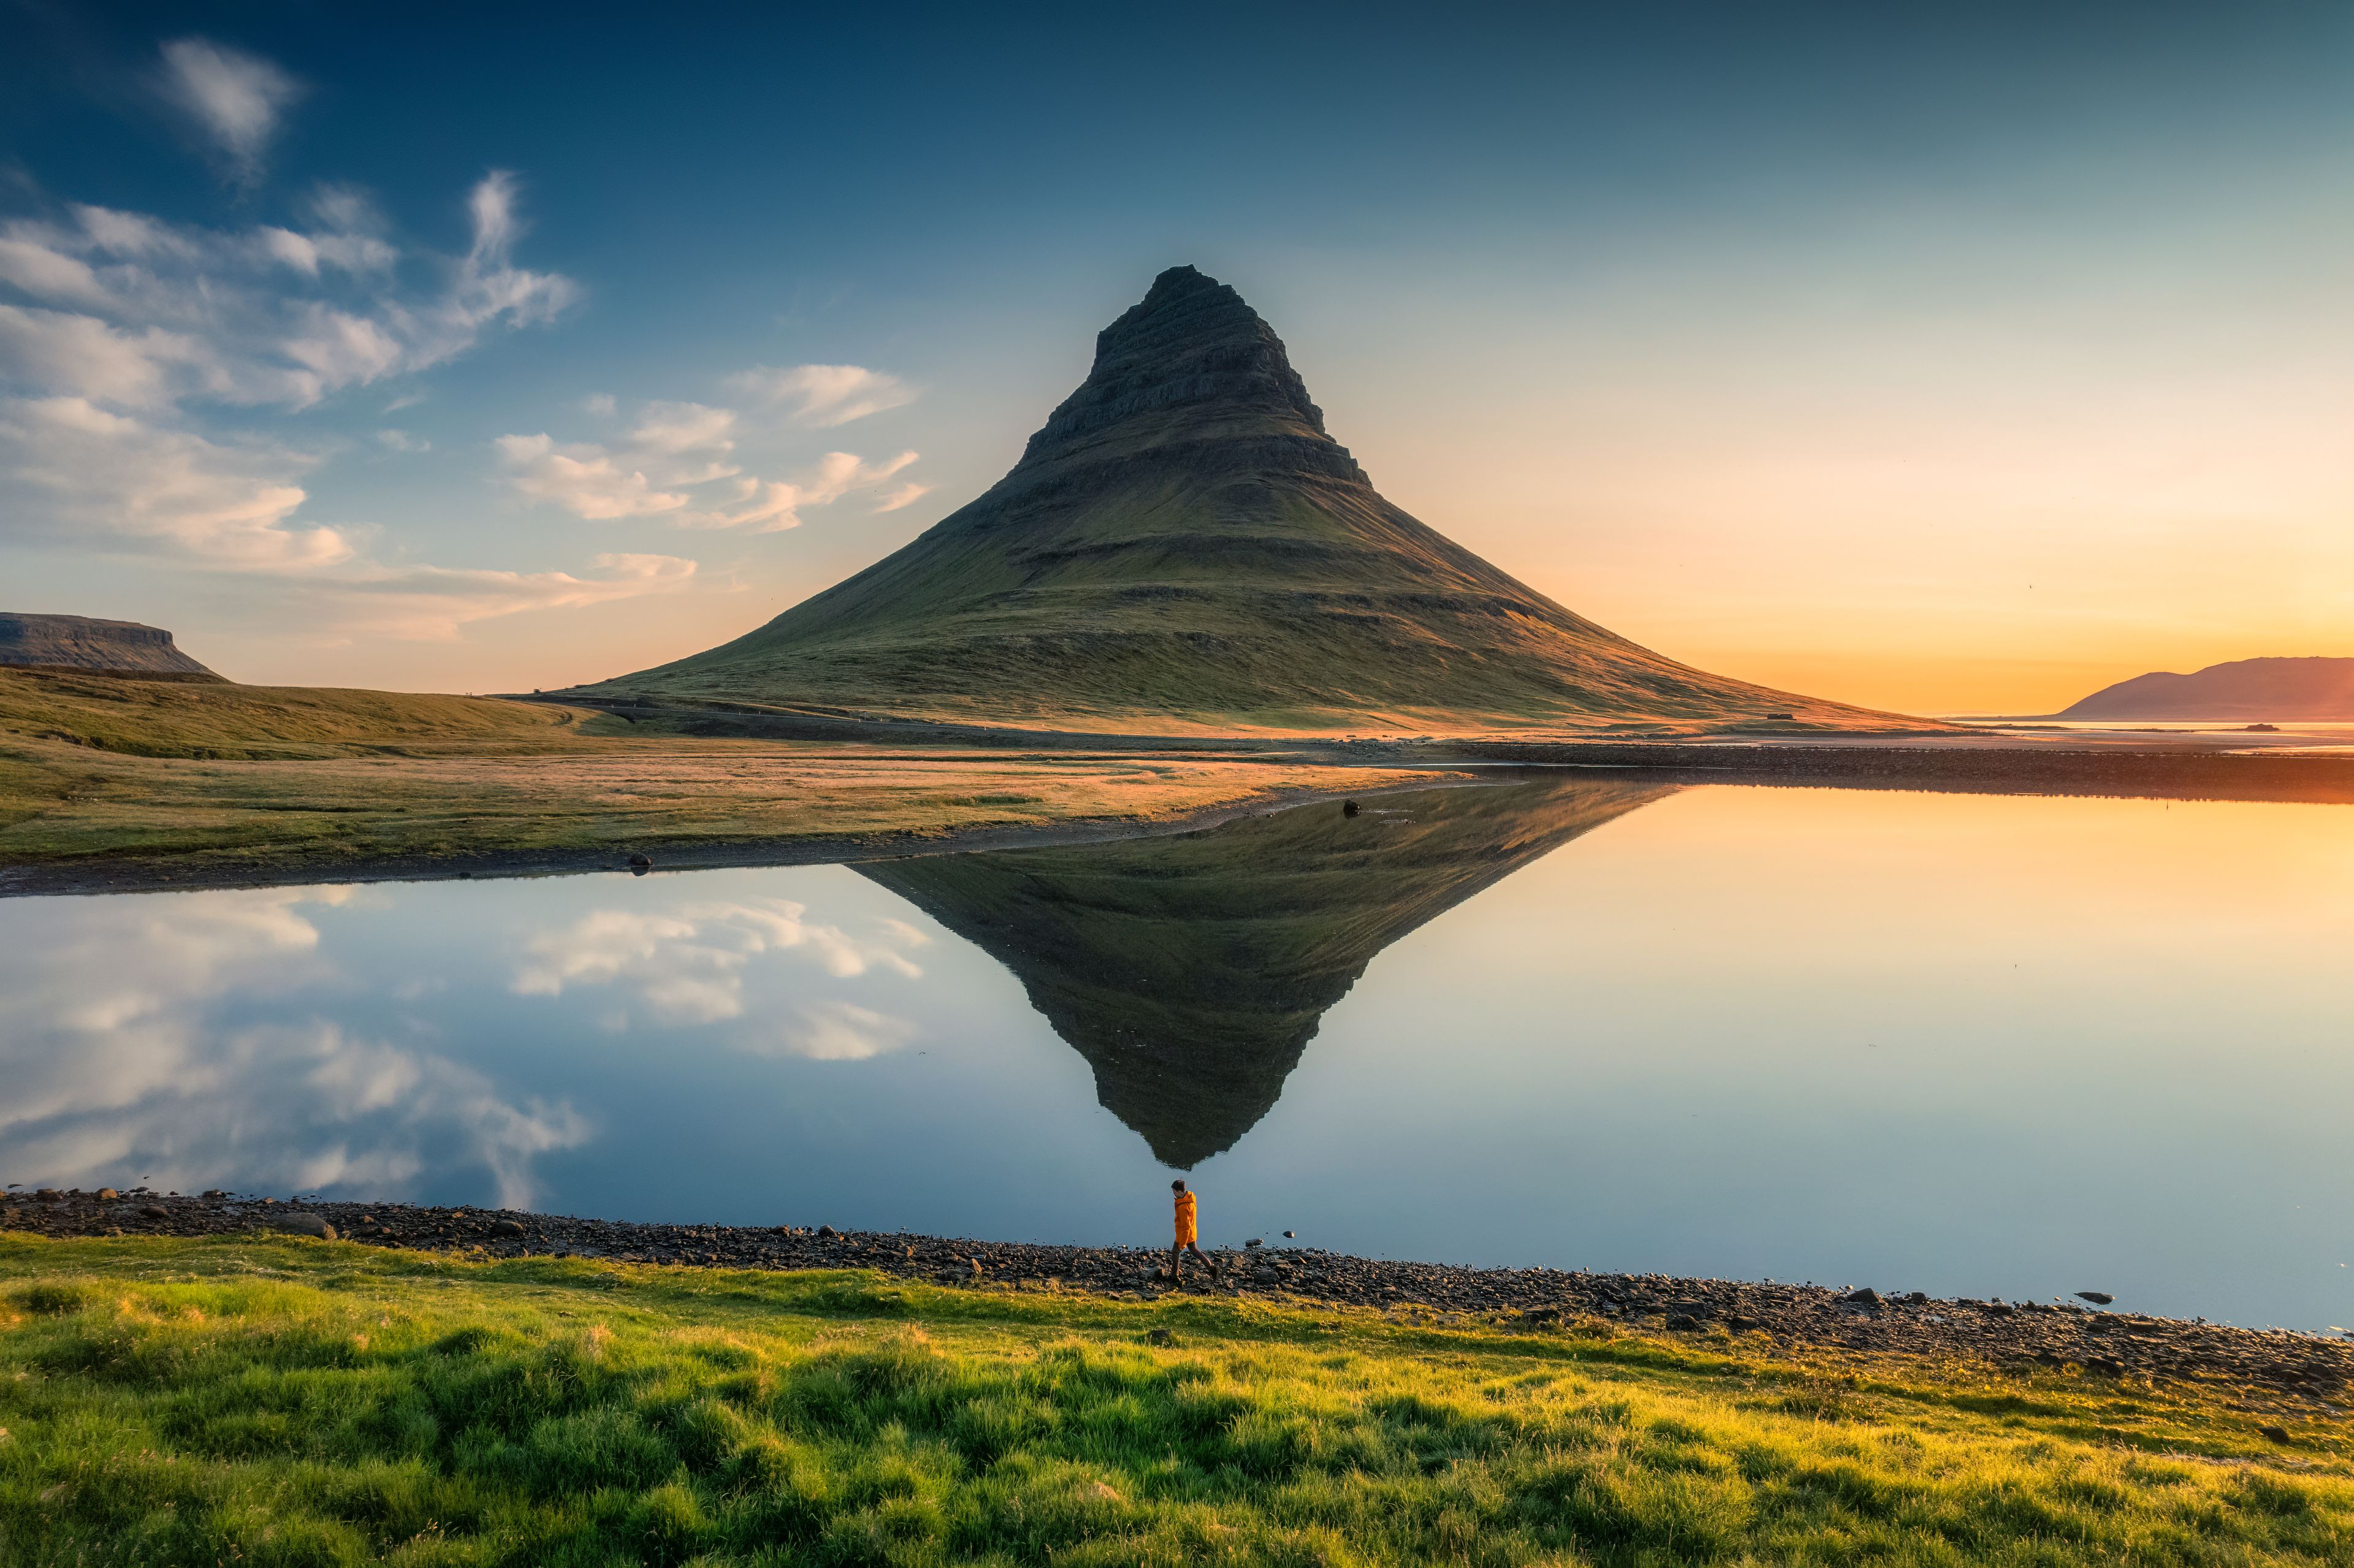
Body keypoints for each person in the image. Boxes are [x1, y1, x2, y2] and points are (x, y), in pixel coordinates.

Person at [1167, 1178, 1217, 1282]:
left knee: (1175, 1252)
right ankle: (1211, 1267)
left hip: (1183, 1234)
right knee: (1194, 1250)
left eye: (1174, 1192)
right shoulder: (1191, 1198)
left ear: (1179, 1191)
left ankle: (1174, 1276)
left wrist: (1182, 1243)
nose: (1174, 1194)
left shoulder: (1183, 1207)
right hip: (1192, 1232)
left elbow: (1185, 1227)